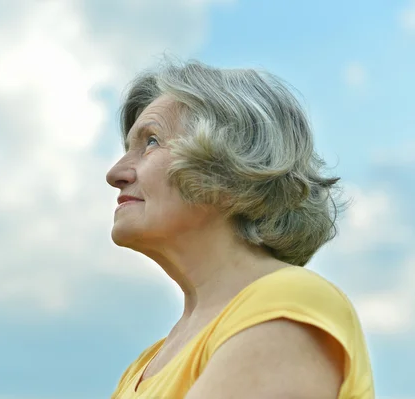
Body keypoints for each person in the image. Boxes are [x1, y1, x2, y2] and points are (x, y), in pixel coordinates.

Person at [106, 59, 374, 399]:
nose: (116, 173)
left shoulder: (288, 302)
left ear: (230, 167)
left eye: (152, 142)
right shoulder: (141, 368)